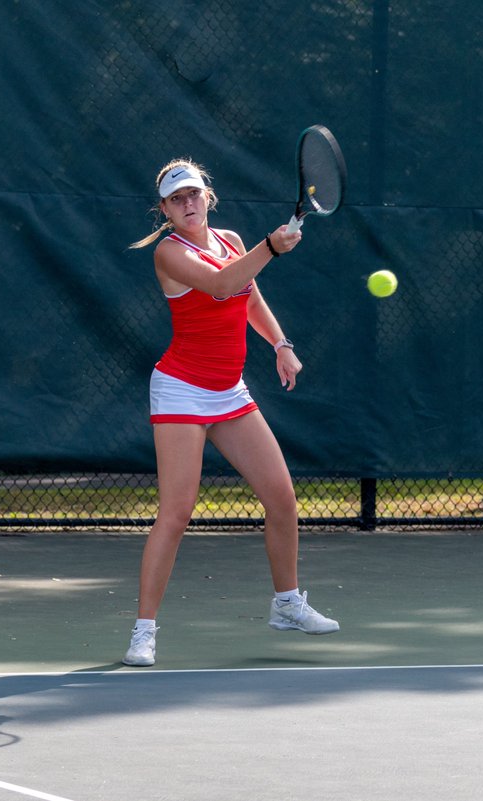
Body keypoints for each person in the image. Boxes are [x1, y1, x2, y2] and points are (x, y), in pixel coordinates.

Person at [122, 159, 339, 667]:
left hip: (228, 390)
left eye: (194, 194)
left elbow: (247, 298)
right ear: (165, 211)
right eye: (177, 200)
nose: (188, 204)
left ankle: (287, 604)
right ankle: (143, 630)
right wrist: (271, 247)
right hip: (181, 390)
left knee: (282, 499)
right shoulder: (169, 254)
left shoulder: (232, 240)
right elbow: (221, 286)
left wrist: (280, 344)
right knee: (176, 514)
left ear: (207, 197)